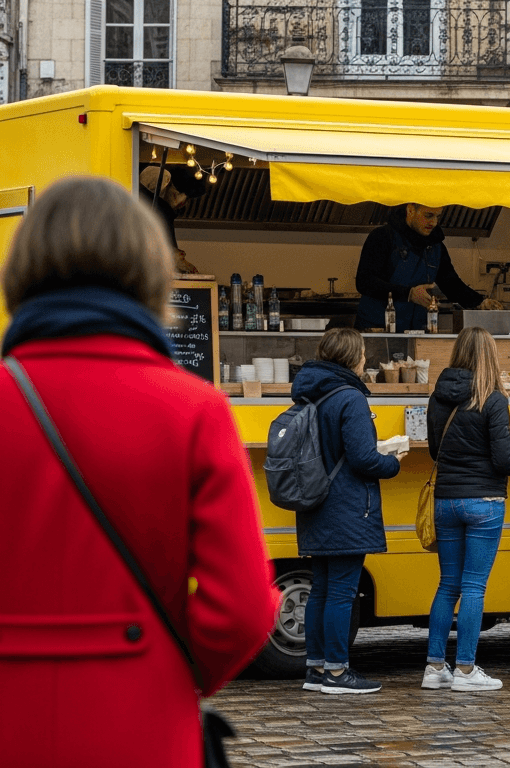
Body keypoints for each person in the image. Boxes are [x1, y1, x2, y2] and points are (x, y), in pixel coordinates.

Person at [0, 176, 277, 766]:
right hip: (143, 722)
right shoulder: (194, 410)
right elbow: (246, 607)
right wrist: (174, 669)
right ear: (151, 272)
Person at [291, 328, 406, 694]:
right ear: (352, 357)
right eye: (362, 354)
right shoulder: (350, 397)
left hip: (315, 502)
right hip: (346, 506)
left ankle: (316, 668)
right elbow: (362, 458)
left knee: (321, 589)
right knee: (342, 591)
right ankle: (338, 673)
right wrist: (393, 462)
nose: (365, 360)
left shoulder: (310, 394)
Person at [422, 327, 510, 693]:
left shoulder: (438, 398)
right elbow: (505, 460)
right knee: (474, 586)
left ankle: (434, 668)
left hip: (445, 500)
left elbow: (435, 451)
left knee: (448, 584)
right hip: (484, 502)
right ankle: (465, 670)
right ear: (490, 357)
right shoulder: (493, 400)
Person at [354, 203, 498, 332]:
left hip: (416, 331)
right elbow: (364, 282)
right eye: (428, 215)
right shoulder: (382, 237)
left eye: (437, 216)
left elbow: (451, 284)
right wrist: (409, 294)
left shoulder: (436, 247)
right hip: (377, 329)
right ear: (410, 211)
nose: (434, 222)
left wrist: (480, 302)